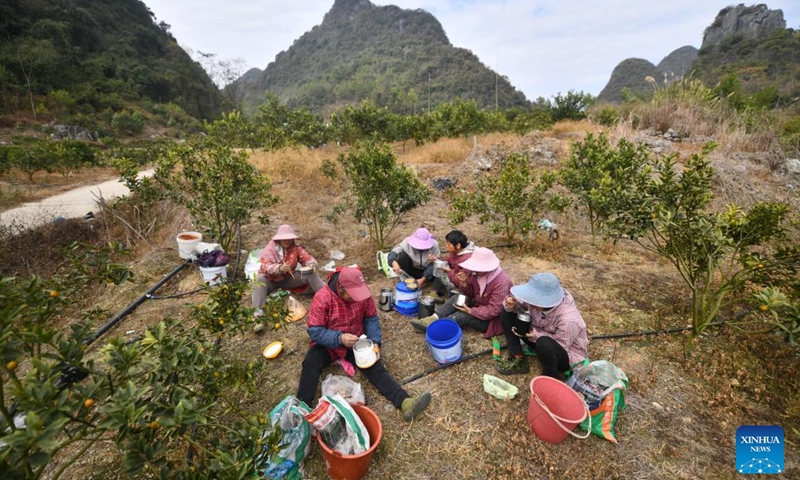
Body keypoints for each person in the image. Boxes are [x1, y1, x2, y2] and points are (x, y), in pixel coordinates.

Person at [296, 266, 432, 422]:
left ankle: (405, 402)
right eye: (352, 296)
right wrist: (339, 338)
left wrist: (375, 343)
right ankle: (302, 410)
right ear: (341, 289)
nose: (356, 299)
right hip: (328, 343)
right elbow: (315, 331)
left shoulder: (363, 292)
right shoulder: (323, 297)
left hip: (355, 340)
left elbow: (371, 319)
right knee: (310, 363)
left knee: (374, 367)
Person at [495, 272, 588, 377]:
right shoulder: (535, 302)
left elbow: (560, 345)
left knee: (544, 344)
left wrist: (536, 335)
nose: (530, 300)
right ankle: (517, 356)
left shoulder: (569, 320)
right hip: (536, 335)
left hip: (562, 353)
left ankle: (550, 375)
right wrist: (511, 304)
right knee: (507, 313)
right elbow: (520, 303)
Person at [410, 248, 511, 338]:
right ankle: (433, 318)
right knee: (459, 297)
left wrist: (471, 311)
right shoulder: (477, 273)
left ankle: (439, 326)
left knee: (463, 315)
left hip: (491, 320)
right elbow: (470, 293)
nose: (473, 269)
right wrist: (464, 283)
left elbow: (494, 310)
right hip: (477, 303)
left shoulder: (501, 283)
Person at [252, 224, 324, 316]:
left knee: (310, 273)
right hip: (270, 280)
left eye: (289, 238)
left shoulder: (295, 248)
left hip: (289, 278)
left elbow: (307, 258)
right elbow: (266, 267)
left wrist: (312, 264)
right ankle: (258, 313)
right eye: (284, 238)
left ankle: (327, 294)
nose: (287, 241)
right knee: (259, 281)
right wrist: (279, 268)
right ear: (279, 239)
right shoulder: (270, 249)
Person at [435, 230, 476, 295]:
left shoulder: (467, 260)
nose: (446, 246)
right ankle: (439, 292)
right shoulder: (456, 251)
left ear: (458, 246)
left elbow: (461, 280)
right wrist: (436, 259)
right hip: (453, 273)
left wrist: (449, 271)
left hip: (464, 285)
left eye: (449, 244)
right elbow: (448, 259)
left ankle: (452, 292)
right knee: (437, 266)